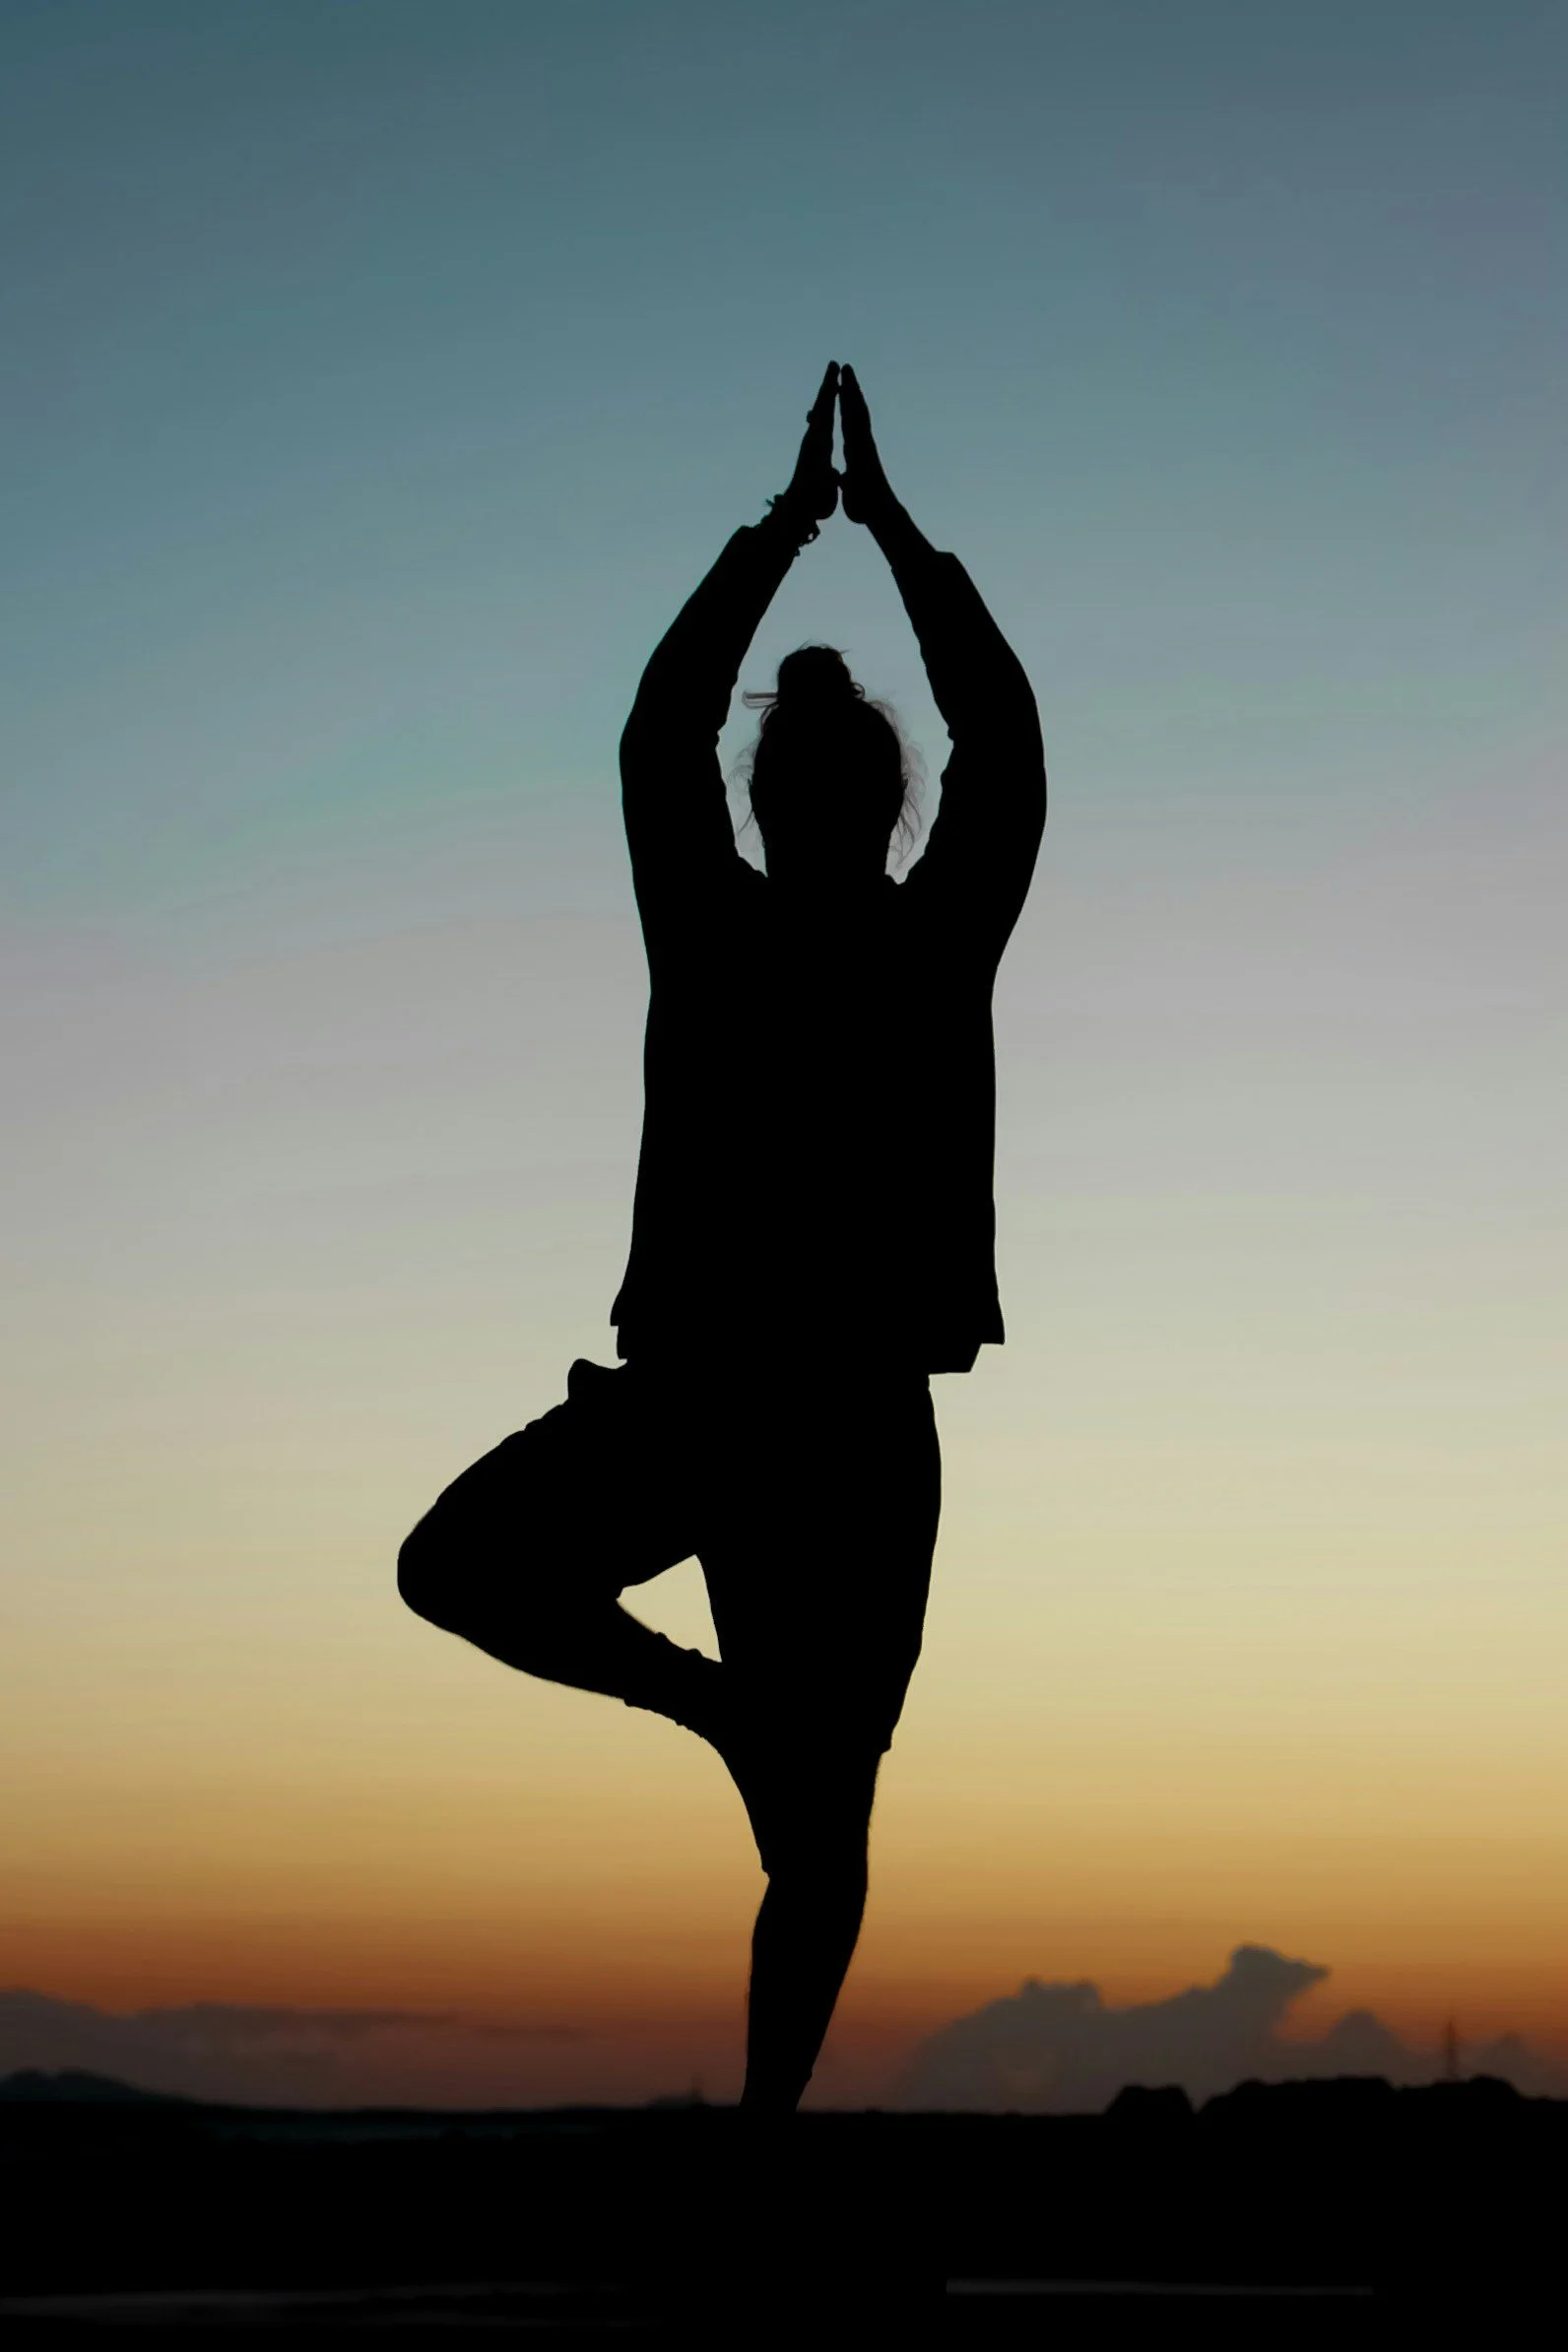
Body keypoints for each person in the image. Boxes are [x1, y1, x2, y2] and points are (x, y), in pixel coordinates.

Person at [398, 363, 1046, 2116]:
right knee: (816, 1823)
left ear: (780, 800)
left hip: (757, 1417)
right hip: (786, 1417)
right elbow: (1003, 735)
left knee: (475, 1582)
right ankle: (760, 2089)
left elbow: (661, 727)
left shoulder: (785, 928)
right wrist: (891, 538)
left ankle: (760, 2122)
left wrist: (789, 534)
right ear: (870, 798)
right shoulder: (905, 934)